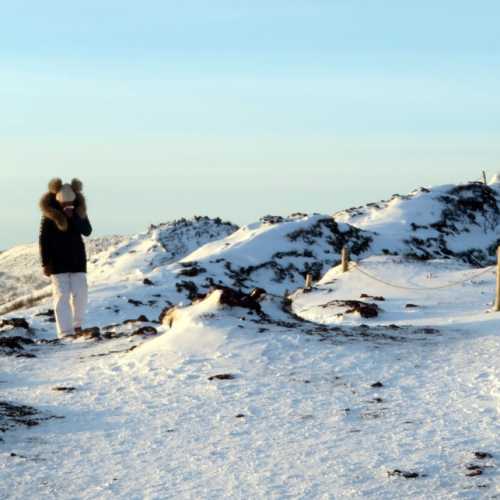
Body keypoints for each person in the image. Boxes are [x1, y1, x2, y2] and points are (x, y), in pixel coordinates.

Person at [39, 178, 92, 339]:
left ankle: (77, 325)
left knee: (81, 293)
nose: (67, 206)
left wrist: (75, 217)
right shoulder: (49, 216)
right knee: (61, 297)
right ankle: (65, 332)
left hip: (77, 260)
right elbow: (44, 240)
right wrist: (45, 263)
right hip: (57, 263)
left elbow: (87, 231)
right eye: (64, 204)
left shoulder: (79, 211)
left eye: (70, 203)